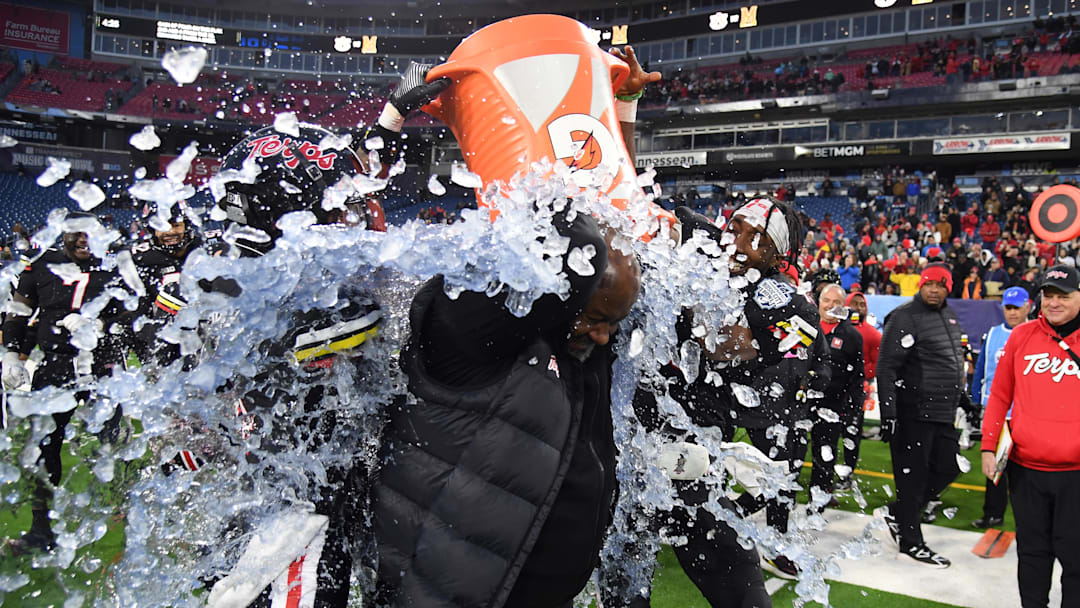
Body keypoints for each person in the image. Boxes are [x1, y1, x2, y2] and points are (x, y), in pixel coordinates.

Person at [371, 50, 657, 608]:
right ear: (560, 286)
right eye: (598, 319)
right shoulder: (469, 325)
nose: (603, 338)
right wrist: (392, 124)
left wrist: (622, 109)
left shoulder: (581, 336)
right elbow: (581, 241)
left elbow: (628, 227)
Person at [204, 122, 396, 608]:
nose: (350, 215)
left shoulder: (251, 276)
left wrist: (387, 123)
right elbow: (367, 317)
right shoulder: (264, 300)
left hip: (297, 492)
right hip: (297, 518)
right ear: (288, 212)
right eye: (338, 202)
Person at [2, 222, 128, 553]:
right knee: (43, 446)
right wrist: (12, 357)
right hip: (55, 369)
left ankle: (129, 522)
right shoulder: (42, 266)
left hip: (102, 368)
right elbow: (17, 315)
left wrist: (98, 323)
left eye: (91, 233)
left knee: (116, 444)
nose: (84, 241)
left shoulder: (114, 268)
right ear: (65, 235)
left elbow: (132, 314)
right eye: (78, 233)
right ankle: (41, 530)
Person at [981, 265, 1080, 608]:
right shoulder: (1021, 337)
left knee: (1076, 559)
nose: (1054, 303)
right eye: (1048, 295)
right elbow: (999, 397)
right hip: (1027, 471)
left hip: (1076, 475)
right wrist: (987, 447)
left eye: (1063, 296)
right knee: (1033, 555)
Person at [875, 263, 973, 568]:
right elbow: (886, 367)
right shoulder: (904, 316)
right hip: (913, 411)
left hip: (942, 412)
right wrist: (888, 412)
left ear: (949, 288)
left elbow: (951, 362)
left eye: (940, 285)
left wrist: (965, 401)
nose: (933, 290)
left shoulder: (950, 315)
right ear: (920, 285)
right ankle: (910, 541)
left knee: (950, 466)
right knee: (913, 480)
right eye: (929, 284)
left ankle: (898, 513)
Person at [970, 286, 1031, 529]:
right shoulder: (994, 333)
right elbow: (981, 368)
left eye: (1017, 308)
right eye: (1009, 308)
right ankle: (992, 514)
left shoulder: (1036, 333)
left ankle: (1026, 516)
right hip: (998, 414)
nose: (1013, 312)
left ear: (1028, 306)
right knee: (995, 467)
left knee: (1026, 470)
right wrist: (975, 401)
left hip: (1026, 414)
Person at [810, 284, 864, 497]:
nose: (831, 306)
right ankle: (786, 501)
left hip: (832, 406)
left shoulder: (851, 336)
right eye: (827, 301)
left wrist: (854, 409)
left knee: (824, 456)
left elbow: (857, 376)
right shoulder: (806, 326)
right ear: (819, 303)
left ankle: (819, 503)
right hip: (801, 403)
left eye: (837, 303)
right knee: (792, 454)